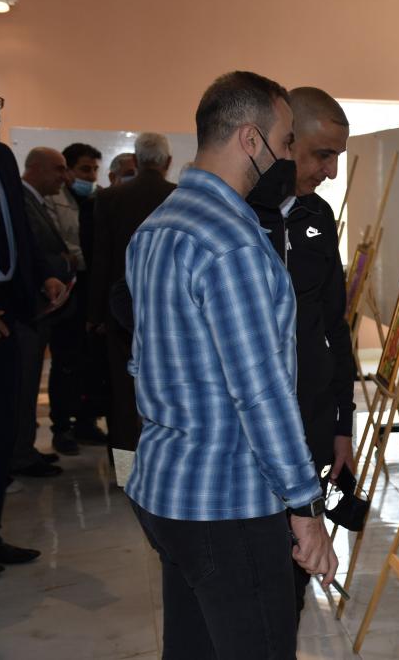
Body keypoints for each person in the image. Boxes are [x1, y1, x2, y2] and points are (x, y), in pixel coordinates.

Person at [125, 71, 336, 658]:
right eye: (286, 141)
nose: (289, 155)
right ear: (250, 139)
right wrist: (305, 508)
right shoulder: (232, 242)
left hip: (166, 490)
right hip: (228, 502)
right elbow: (261, 392)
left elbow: (143, 364)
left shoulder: (157, 227)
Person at [246, 86, 357, 622]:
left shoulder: (319, 216)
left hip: (309, 424)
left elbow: (335, 326)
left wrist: (343, 424)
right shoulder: (238, 216)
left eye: (337, 157)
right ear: (286, 143)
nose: (331, 171)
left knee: (293, 583)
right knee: (250, 583)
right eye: (322, 155)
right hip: (248, 435)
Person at [0, 96, 68, 573]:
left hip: (15, 307)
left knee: (7, 417)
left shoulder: (2, 158)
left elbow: (17, 232)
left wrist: (44, 274)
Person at [88, 133, 174, 457]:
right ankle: (163, 466)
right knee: (170, 392)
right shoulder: (179, 196)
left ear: (135, 161)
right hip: (171, 312)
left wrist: (95, 314)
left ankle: (125, 472)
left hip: (121, 309)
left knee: (123, 399)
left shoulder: (110, 198)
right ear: (168, 162)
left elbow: (101, 259)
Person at [13, 148, 75, 477]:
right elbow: (29, 253)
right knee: (22, 386)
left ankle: (25, 448)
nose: (64, 177)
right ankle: (19, 454)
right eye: (58, 169)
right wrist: (60, 266)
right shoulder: (22, 200)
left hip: (42, 309)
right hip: (29, 310)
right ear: (35, 167)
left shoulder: (35, 201)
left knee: (28, 382)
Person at [46, 142, 106, 453]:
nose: (91, 175)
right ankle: (61, 427)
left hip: (91, 289)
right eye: (84, 169)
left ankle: (86, 422)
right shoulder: (53, 201)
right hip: (66, 290)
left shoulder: (98, 200)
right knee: (66, 361)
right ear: (68, 171)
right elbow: (61, 246)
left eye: (94, 169)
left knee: (91, 360)